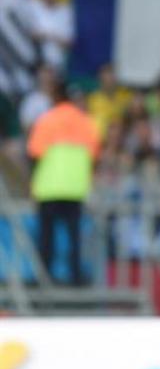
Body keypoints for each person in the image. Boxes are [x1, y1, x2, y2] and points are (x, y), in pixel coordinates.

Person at [27, 81, 100, 286]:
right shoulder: (86, 122)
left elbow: (34, 152)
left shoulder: (47, 119)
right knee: (74, 236)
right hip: (75, 188)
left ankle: (44, 279)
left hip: (49, 187)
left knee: (46, 236)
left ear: (56, 97)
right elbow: (94, 156)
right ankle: (75, 277)